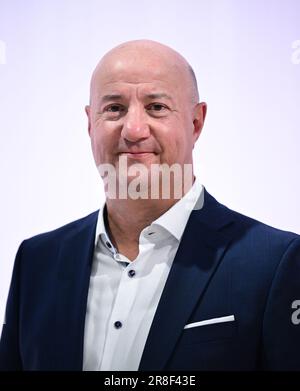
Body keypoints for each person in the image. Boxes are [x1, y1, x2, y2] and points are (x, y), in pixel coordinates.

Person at [0, 39, 299, 371]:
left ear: (196, 122)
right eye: (114, 108)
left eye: (156, 107)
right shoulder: (36, 261)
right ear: (90, 123)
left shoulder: (275, 262)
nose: (134, 130)